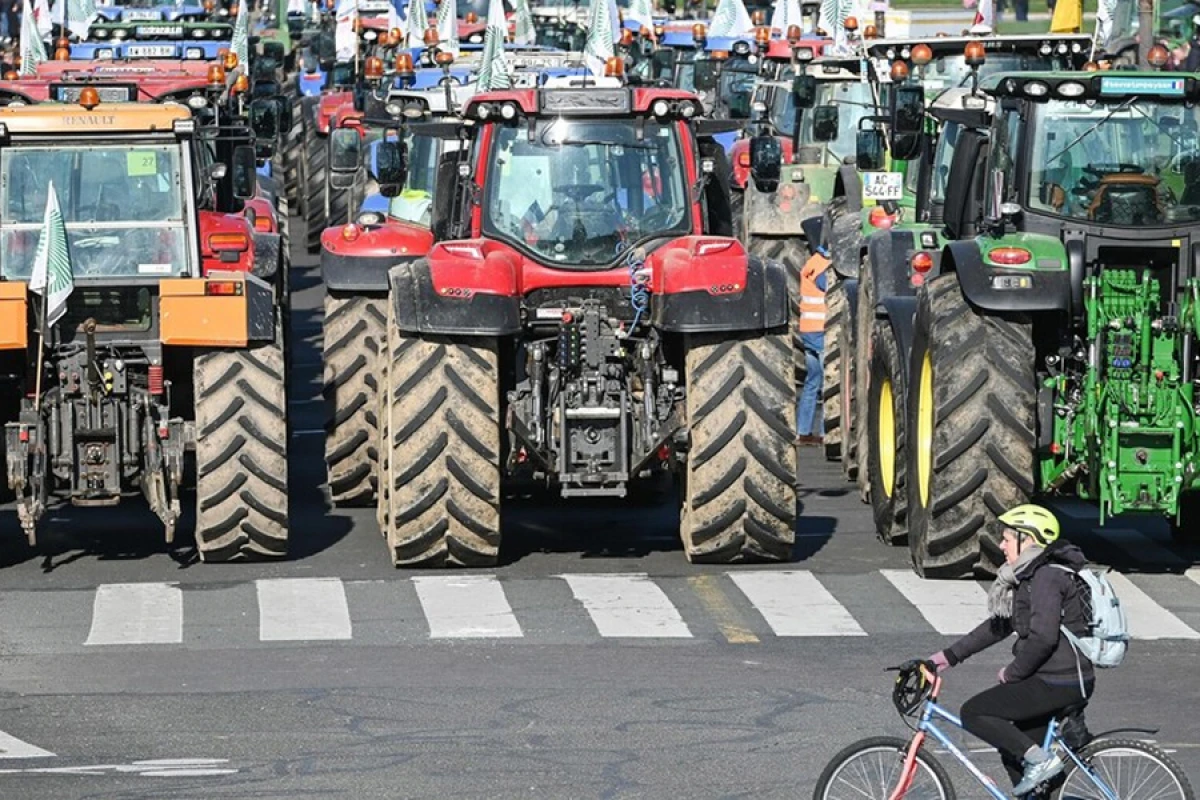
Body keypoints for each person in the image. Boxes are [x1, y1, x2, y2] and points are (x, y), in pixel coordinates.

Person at [925, 504, 1094, 796]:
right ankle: (1040, 768)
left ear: (1027, 540)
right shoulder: (1029, 576)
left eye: (1007, 538)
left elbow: (1042, 638)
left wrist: (1013, 673)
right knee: (1014, 750)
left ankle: (1041, 762)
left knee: (975, 712)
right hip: (1054, 677)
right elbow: (1001, 626)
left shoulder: (1046, 577)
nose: (1001, 545)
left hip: (1059, 680)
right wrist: (947, 657)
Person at [796, 217, 828, 446]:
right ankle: (828, 432)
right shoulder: (824, 267)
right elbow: (829, 290)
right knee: (830, 382)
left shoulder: (811, 263)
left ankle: (803, 431)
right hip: (822, 332)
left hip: (808, 331)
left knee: (812, 381)